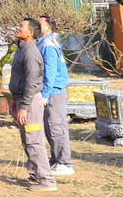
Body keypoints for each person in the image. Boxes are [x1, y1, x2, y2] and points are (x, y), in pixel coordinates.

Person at [10, 17, 57, 192]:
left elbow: (31, 83)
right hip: (23, 99)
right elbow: (20, 80)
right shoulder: (21, 49)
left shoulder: (30, 53)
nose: (17, 27)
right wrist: (15, 100)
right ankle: (36, 174)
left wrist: (24, 107)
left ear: (30, 32)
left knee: (34, 140)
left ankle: (47, 180)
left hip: (30, 101)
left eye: (21, 26)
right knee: (27, 140)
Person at [38, 14, 73, 177]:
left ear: (48, 28)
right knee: (51, 127)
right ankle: (56, 160)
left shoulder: (48, 45)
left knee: (56, 127)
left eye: (39, 24)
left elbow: (50, 72)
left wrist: (45, 94)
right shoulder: (46, 42)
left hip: (54, 92)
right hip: (53, 91)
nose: (36, 27)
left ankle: (64, 163)